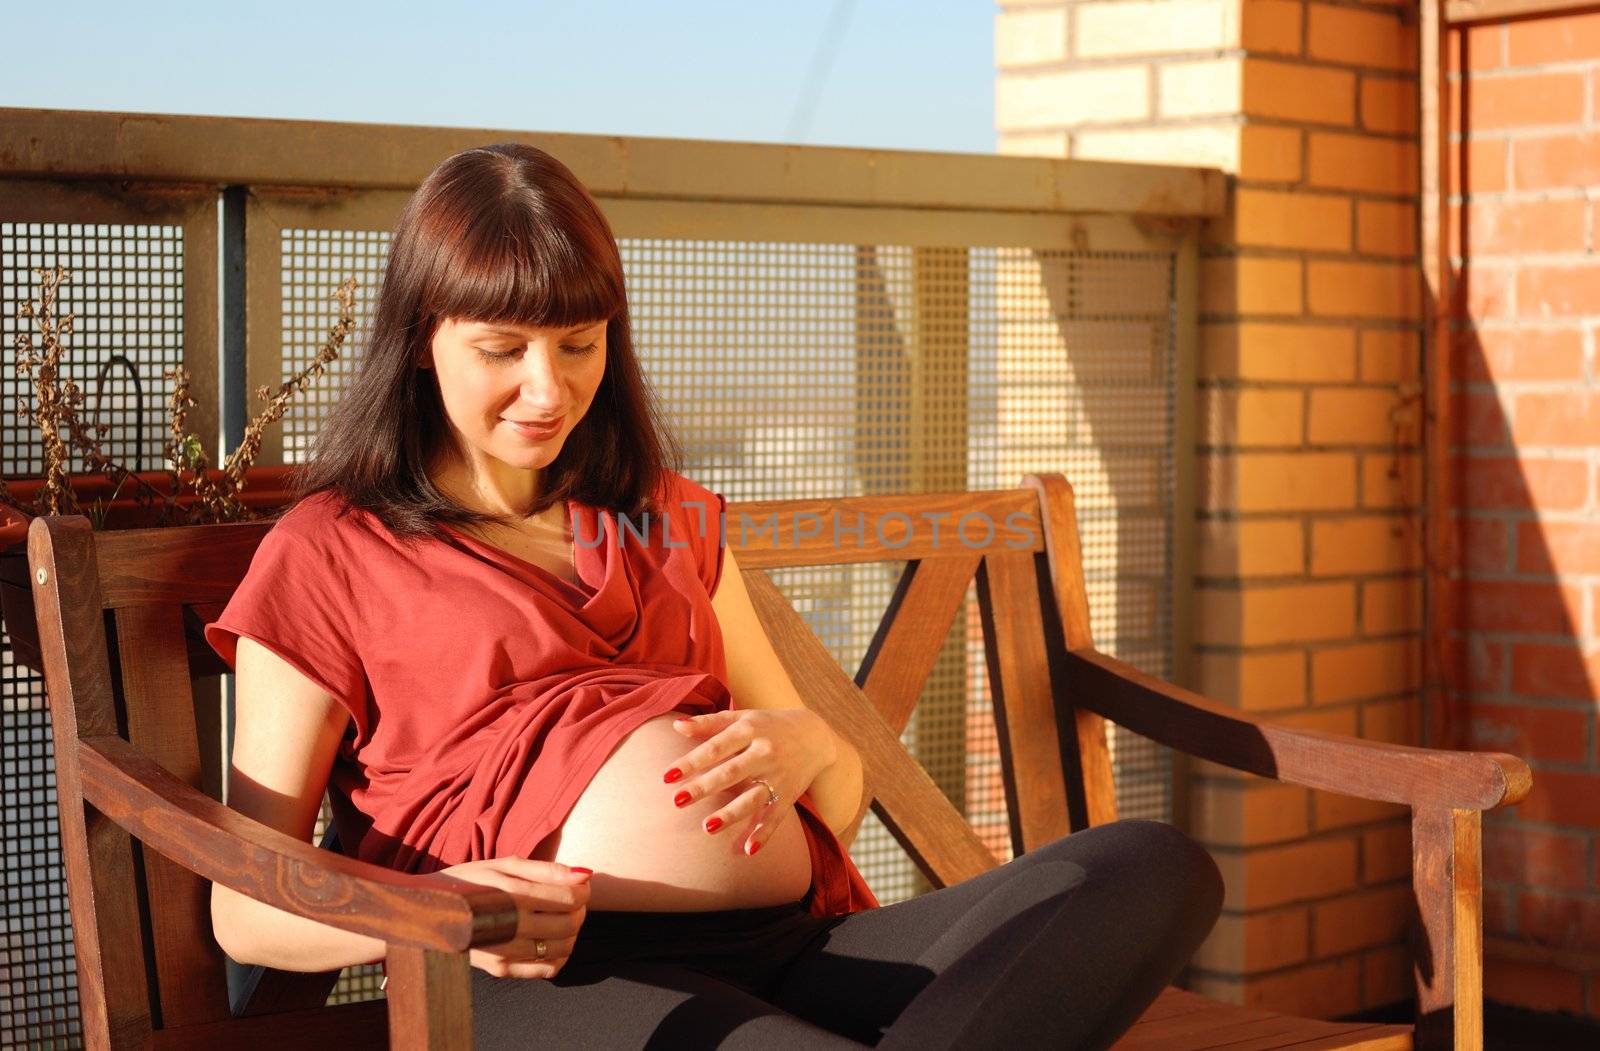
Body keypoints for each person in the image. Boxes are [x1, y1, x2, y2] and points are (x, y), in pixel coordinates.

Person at [205, 143, 1224, 1050]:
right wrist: (441, 905)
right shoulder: (330, 553)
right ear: (423, 338)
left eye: (579, 343)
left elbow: (837, 800)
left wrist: (813, 746)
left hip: (793, 945)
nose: (550, 389)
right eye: (503, 349)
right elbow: (246, 908)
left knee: (1152, 867)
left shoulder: (664, 516)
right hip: (556, 980)